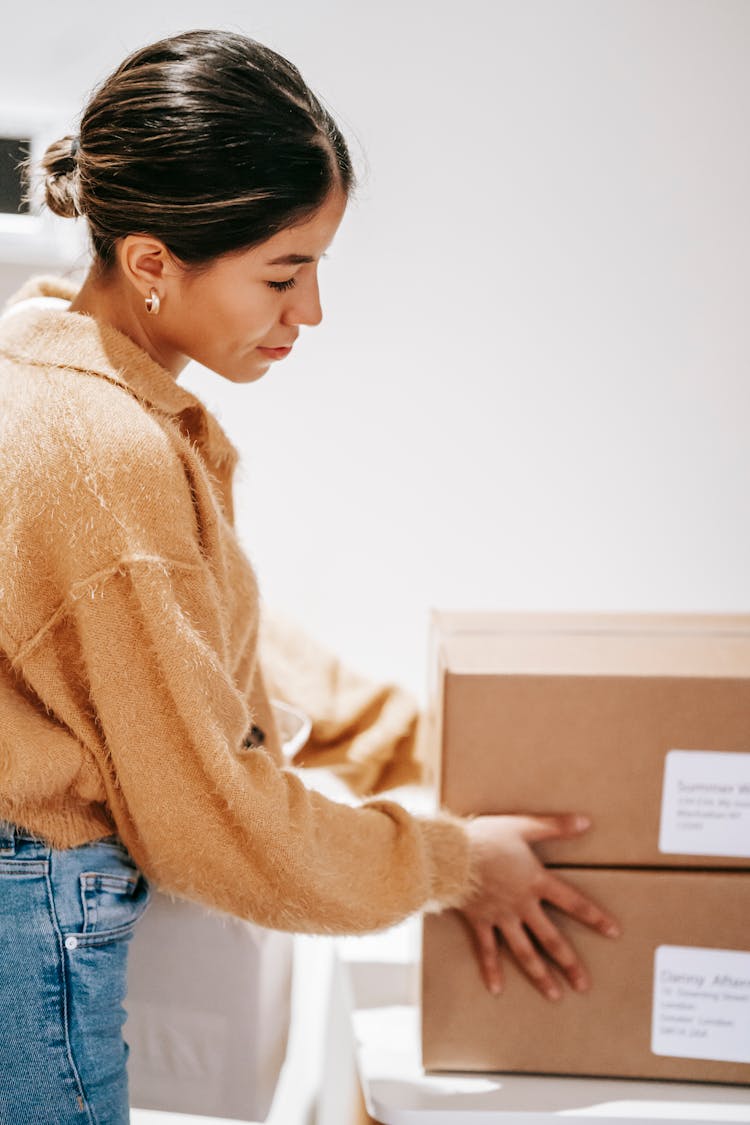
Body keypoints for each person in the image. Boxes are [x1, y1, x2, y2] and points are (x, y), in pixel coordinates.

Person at [0, 28, 620, 1124]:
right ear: (151, 263)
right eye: (283, 273)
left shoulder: (52, 371)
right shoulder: (102, 449)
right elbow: (215, 824)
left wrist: (421, 744)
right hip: (34, 922)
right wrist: (450, 861)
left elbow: (191, 625)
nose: (311, 312)